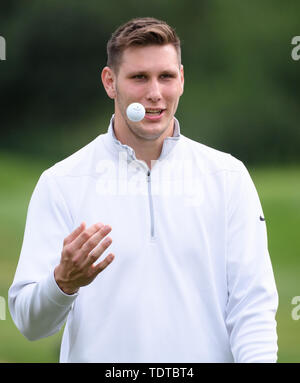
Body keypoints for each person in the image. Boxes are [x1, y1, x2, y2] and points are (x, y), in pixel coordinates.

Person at [8, 17, 278, 363]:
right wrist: (63, 282)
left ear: (181, 79)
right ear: (110, 83)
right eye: (139, 77)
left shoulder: (228, 176)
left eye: (165, 76)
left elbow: (252, 308)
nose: (154, 93)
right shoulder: (62, 182)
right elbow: (31, 325)